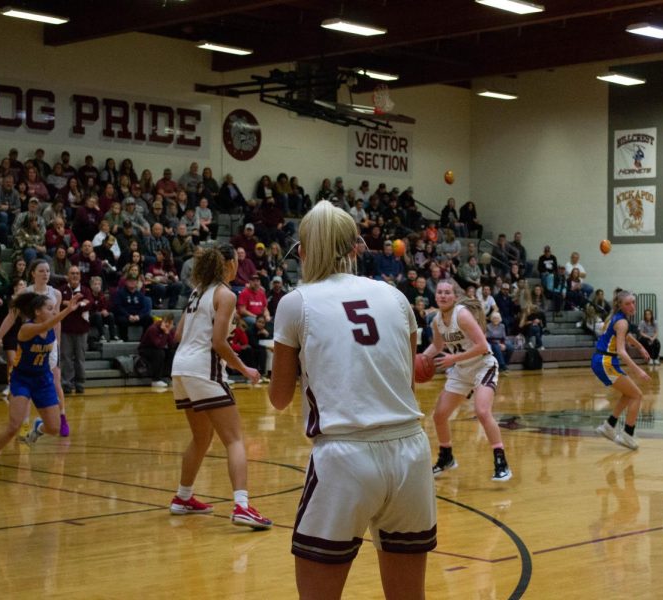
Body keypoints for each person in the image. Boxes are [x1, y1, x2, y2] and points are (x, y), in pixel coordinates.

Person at [268, 201, 436, 600]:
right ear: (356, 247)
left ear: (304, 251)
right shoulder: (395, 297)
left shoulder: (296, 302)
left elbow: (278, 398)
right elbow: (408, 383)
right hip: (411, 453)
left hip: (345, 458)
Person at [168, 245, 272, 530]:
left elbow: (178, 334)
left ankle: (183, 496)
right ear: (228, 264)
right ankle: (242, 506)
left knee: (201, 438)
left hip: (181, 370)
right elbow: (218, 343)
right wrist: (245, 368)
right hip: (204, 368)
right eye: (236, 262)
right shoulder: (225, 294)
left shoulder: (196, 292)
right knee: (234, 439)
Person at [0, 289, 84, 471]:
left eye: (54, 308)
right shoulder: (27, 329)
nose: (53, 311)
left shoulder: (50, 328)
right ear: (37, 312)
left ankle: (38, 428)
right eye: (50, 308)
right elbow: (45, 325)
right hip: (22, 379)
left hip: (43, 379)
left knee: (54, 428)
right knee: (14, 425)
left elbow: (51, 339)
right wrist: (68, 310)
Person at [423, 280, 511, 482]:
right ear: (435, 296)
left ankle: (501, 461)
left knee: (482, 411)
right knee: (439, 415)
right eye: (440, 292)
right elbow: (436, 346)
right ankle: (447, 457)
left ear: (454, 297)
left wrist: (452, 359)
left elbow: (482, 345)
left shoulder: (461, 315)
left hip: (483, 365)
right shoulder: (436, 320)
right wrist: (420, 360)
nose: (443, 296)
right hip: (462, 370)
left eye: (447, 292)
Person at [0, 260, 71, 435]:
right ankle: (25, 424)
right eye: (41, 270)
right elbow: (10, 318)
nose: (46, 274)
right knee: (27, 384)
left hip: (48, 343)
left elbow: (56, 321)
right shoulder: (25, 293)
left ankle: (60, 417)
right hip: (28, 342)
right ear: (33, 273)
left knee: (55, 380)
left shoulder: (56, 294)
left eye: (48, 271)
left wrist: (56, 343)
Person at [594, 290, 652, 450]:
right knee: (637, 395)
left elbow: (624, 335)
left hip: (604, 360)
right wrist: (638, 370)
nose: (632, 306)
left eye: (633, 302)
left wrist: (640, 346)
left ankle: (609, 426)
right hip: (606, 361)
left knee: (629, 394)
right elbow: (621, 350)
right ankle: (627, 434)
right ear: (620, 305)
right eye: (628, 303)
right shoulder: (622, 322)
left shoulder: (618, 318)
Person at [60, 266, 93, 394]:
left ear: (80, 276)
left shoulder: (85, 290)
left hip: (81, 331)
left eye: (77, 273)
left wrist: (69, 304)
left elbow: (88, 304)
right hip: (65, 330)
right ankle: (66, 384)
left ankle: (80, 383)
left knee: (80, 358)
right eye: (72, 273)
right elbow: (58, 304)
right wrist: (75, 304)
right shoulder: (62, 290)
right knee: (66, 358)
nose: (74, 275)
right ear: (68, 275)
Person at [139, 314, 176, 387]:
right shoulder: (153, 329)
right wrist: (166, 333)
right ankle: (156, 380)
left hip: (157, 349)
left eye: (170, 323)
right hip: (145, 349)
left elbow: (172, 345)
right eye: (166, 322)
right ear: (162, 321)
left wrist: (168, 332)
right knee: (160, 353)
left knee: (172, 352)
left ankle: (168, 377)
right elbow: (158, 345)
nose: (168, 324)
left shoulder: (169, 329)